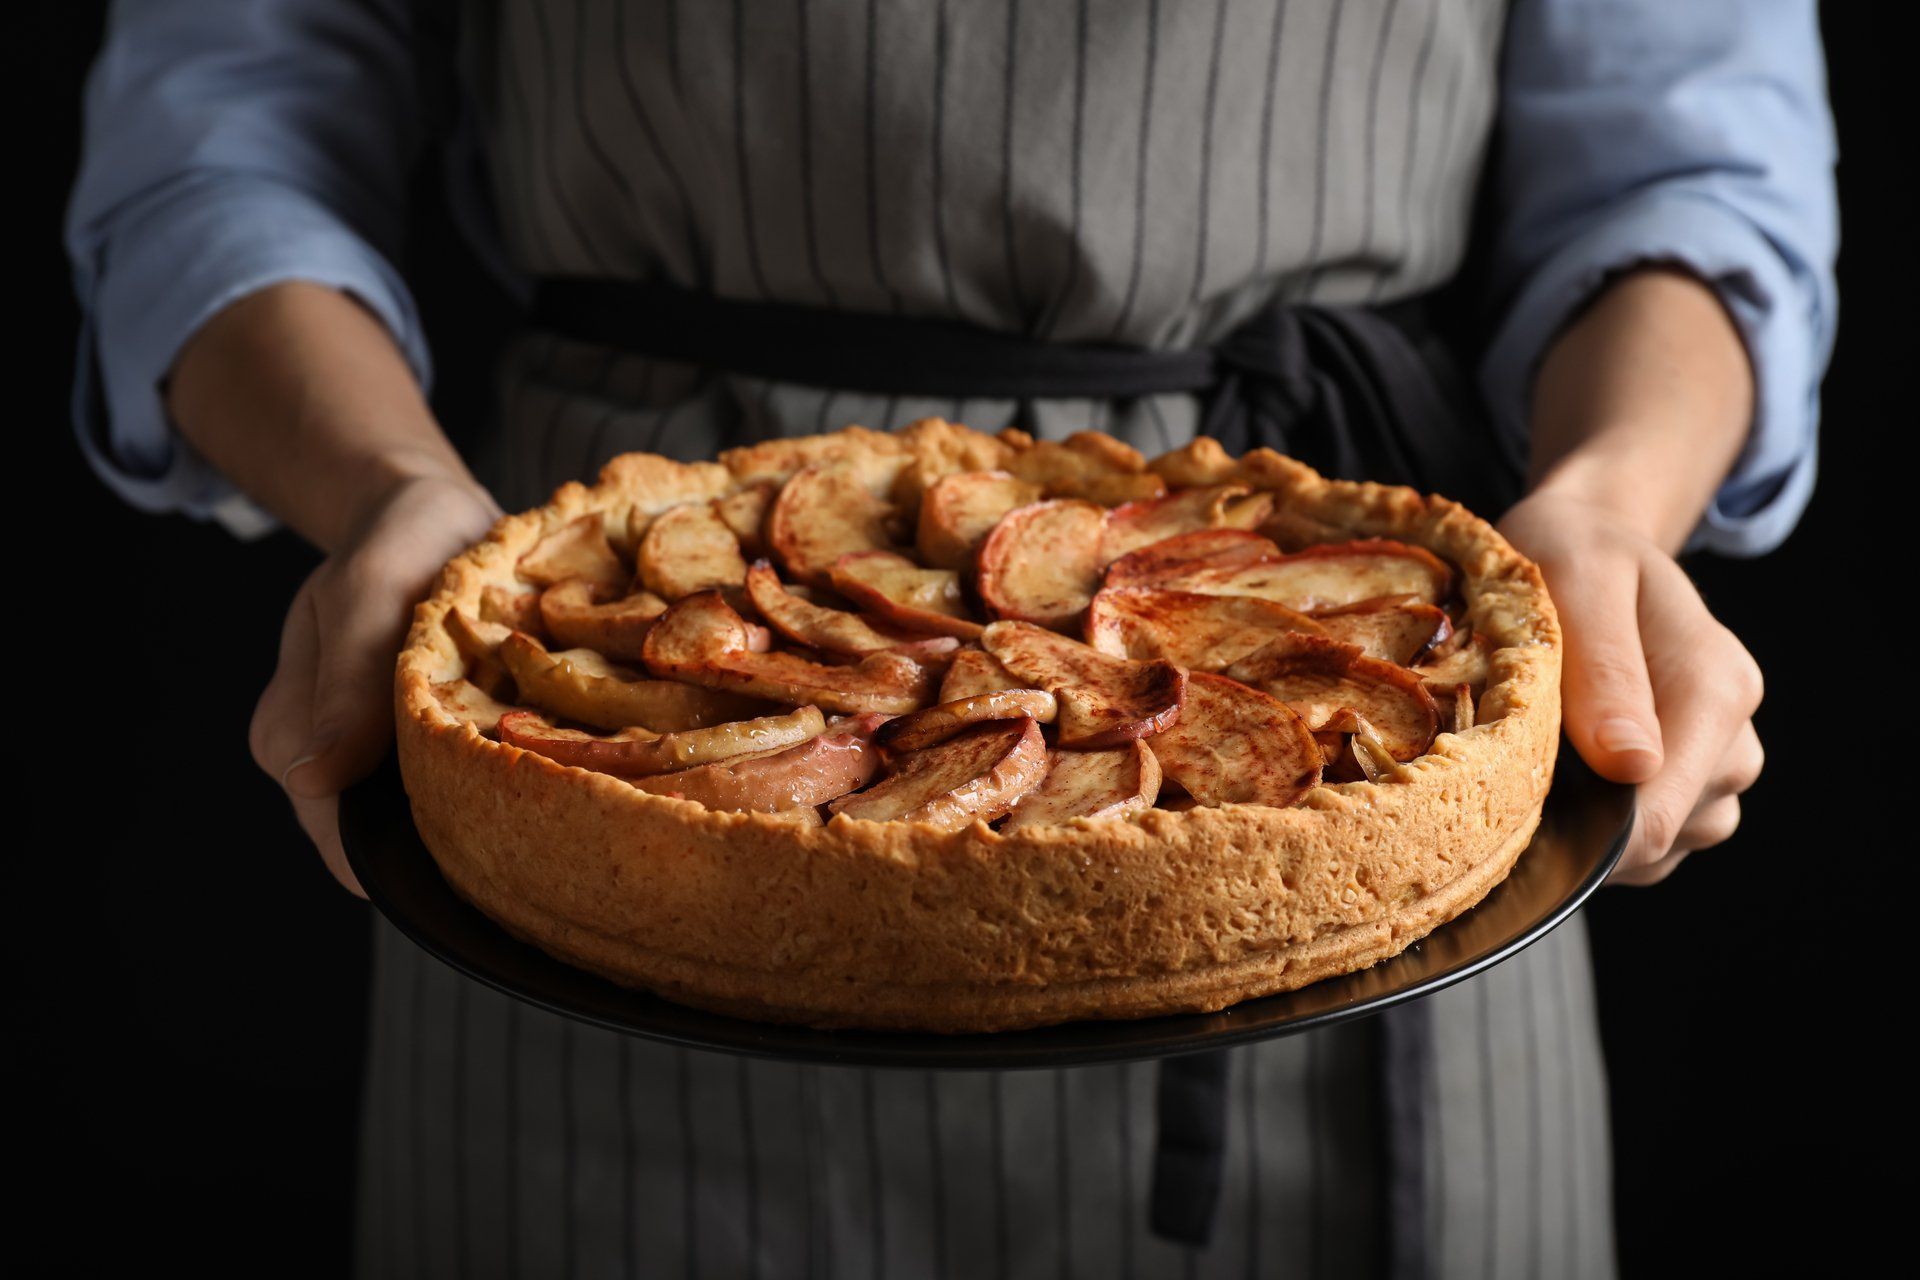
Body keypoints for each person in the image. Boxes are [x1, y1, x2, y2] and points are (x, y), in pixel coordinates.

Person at [68, 1, 1834, 1275]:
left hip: (1365, 755)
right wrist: (390, 495)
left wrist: (1603, 505)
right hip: (614, 783)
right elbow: (217, 129)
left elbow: (1690, 163)